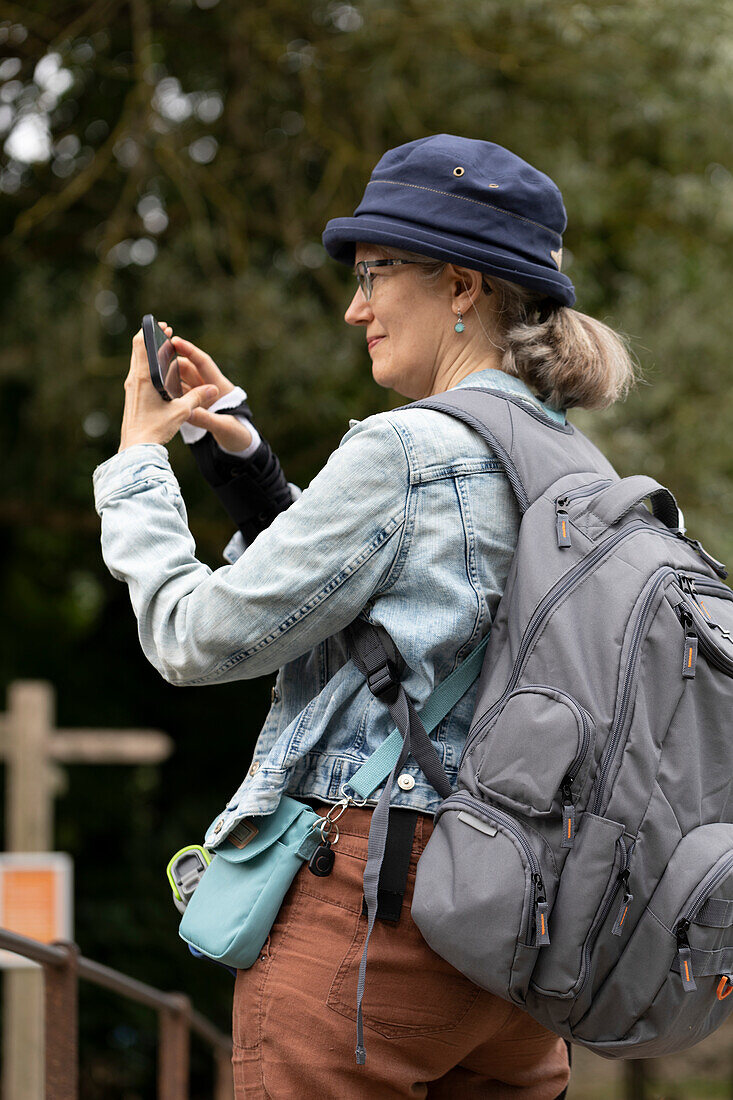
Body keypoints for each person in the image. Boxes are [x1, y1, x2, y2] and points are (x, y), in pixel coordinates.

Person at [94, 134, 636, 1098]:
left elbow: (193, 638)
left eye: (376, 274)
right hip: (523, 938)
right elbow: (397, 604)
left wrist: (140, 464)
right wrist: (249, 468)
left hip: (377, 915)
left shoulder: (409, 448)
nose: (356, 308)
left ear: (461, 284)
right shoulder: (576, 468)